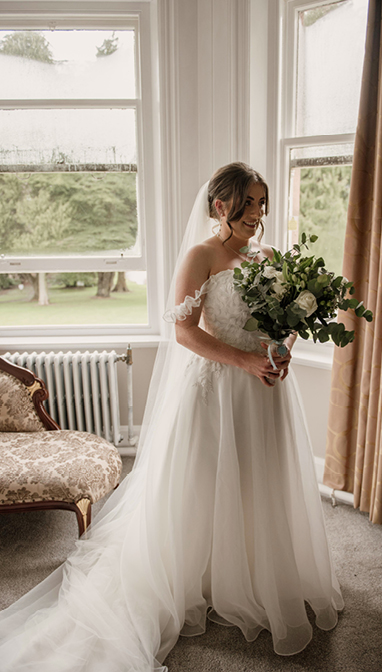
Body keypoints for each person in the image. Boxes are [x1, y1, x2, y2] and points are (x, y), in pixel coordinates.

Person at [0, 163, 343, 670]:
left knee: (260, 480)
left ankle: (257, 569)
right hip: (217, 389)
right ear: (221, 205)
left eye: (263, 203)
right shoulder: (200, 256)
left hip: (265, 392)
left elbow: (288, 319)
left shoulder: (270, 256)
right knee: (207, 481)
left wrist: (281, 350)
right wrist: (246, 360)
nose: (258, 213)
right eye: (249, 202)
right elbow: (183, 333)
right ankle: (202, 575)